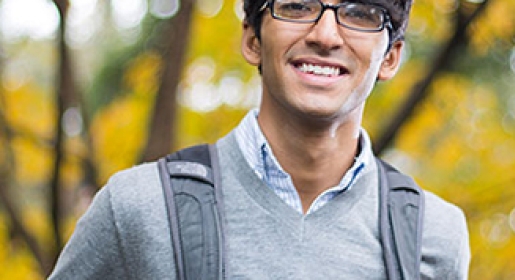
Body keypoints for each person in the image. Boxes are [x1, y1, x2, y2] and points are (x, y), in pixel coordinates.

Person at [48, 0, 470, 278]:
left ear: (391, 57)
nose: (325, 35)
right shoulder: (139, 208)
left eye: (359, 12)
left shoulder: (435, 235)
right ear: (252, 39)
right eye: (298, 6)